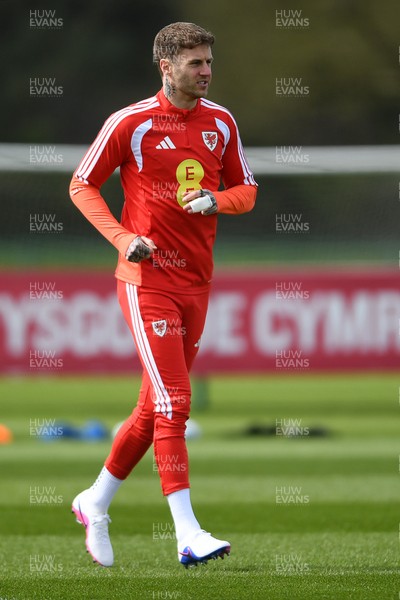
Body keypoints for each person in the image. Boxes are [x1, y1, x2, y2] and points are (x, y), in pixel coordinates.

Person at [69, 21, 257, 568]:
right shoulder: (131, 123)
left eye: (208, 62)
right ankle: (187, 533)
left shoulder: (221, 122)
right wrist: (125, 238)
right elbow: (82, 183)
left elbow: (248, 190)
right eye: (195, 63)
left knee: (155, 409)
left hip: (197, 283)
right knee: (176, 401)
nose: (206, 72)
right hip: (147, 282)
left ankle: (95, 500)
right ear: (166, 66)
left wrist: (217, 201)